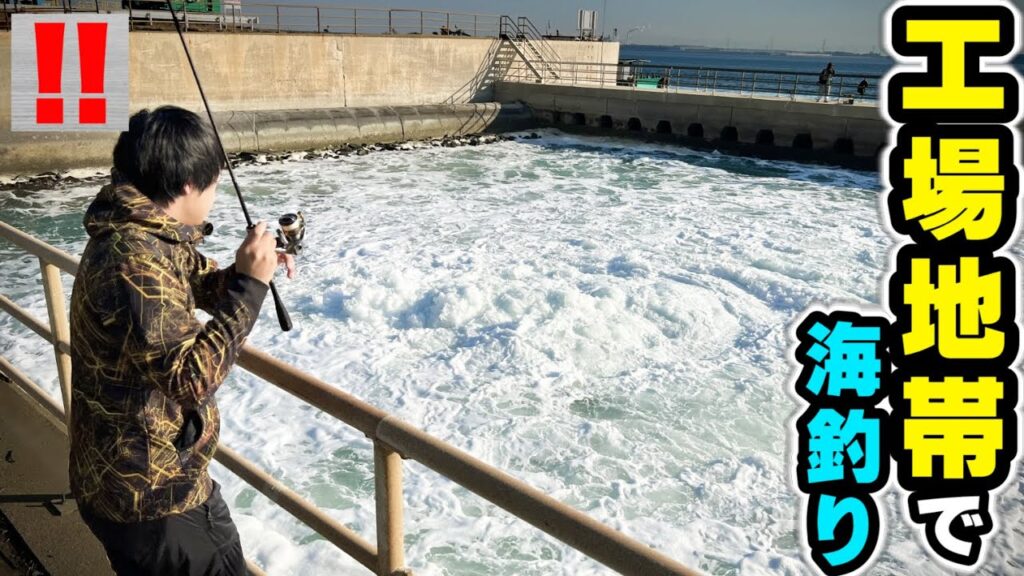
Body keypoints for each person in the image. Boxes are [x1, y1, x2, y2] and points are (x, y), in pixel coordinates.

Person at [69, 105, 295, 576]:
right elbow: (190, 380)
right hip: (154, 498)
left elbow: (192, 283)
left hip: (117, 476)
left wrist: (248, 271)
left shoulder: (138, 232)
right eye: (213, 183)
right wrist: (250, 289)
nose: (214, 194)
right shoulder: (133, 260)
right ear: (189, 185)